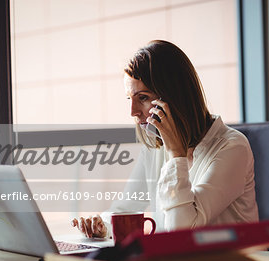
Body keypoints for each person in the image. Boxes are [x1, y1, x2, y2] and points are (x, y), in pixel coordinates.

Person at [71, 40, 258, 238]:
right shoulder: (154, 146)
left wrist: (176, 155)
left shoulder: (232, 147)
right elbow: (125, 207)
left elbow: (182, 232)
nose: (133, 112)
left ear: (174, 97)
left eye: (142, 98)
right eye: (130, 99)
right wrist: (101, 226)